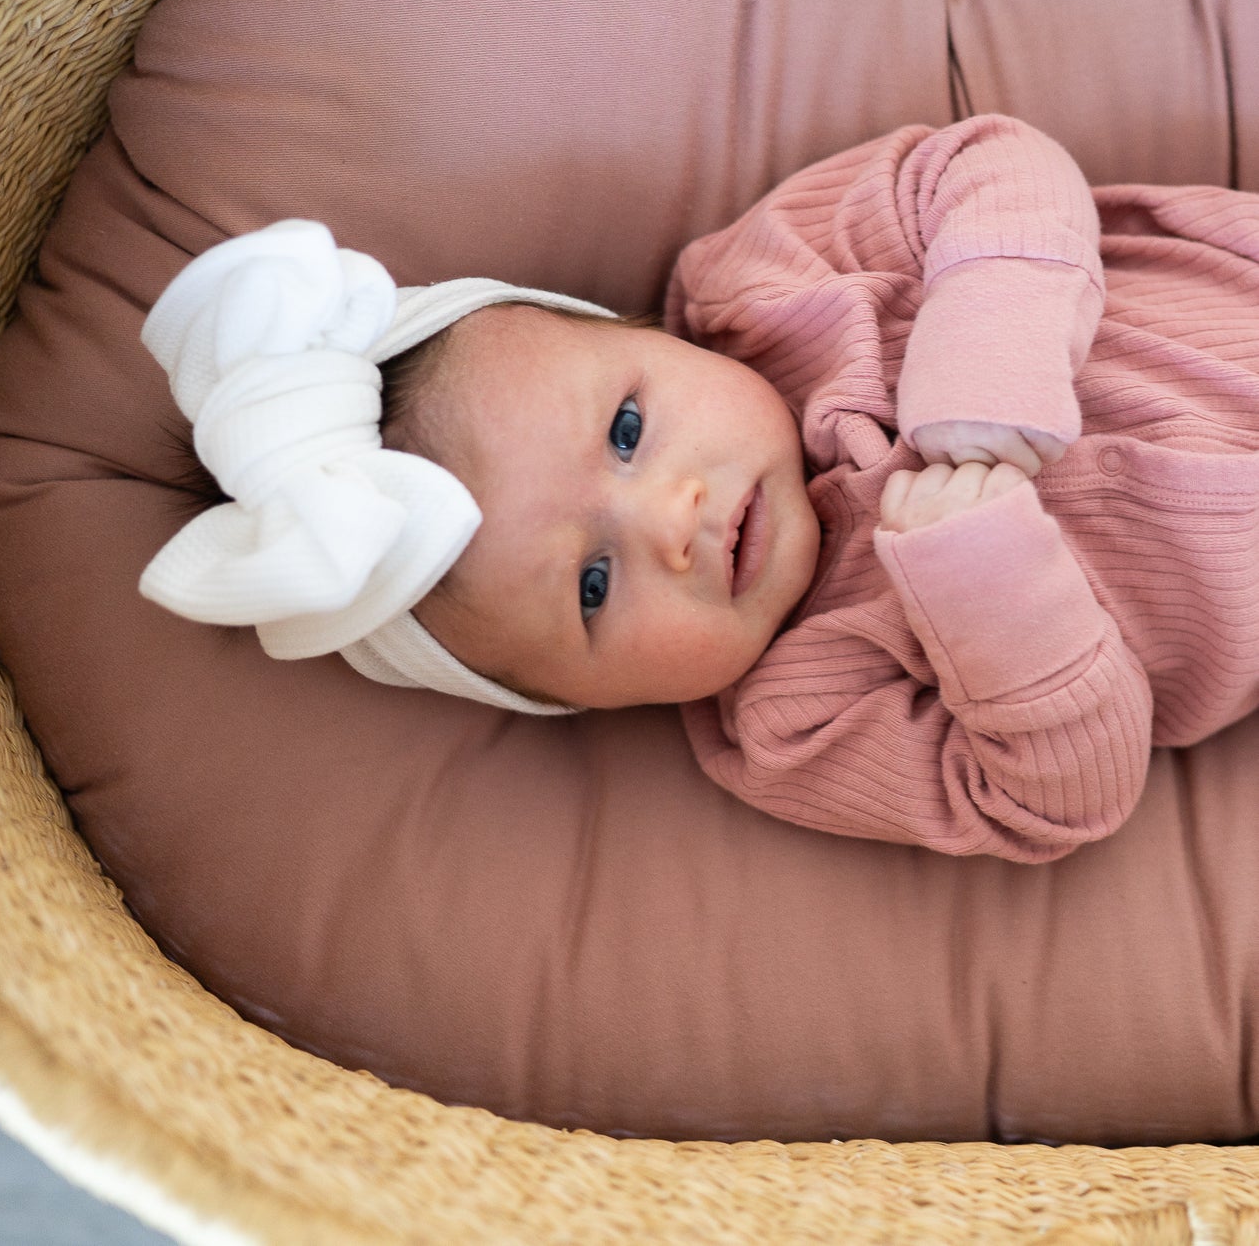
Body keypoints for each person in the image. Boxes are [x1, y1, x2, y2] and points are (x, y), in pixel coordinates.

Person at [137, 113, 1259, 863]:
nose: (665, 519)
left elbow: (985, 162)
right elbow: (1055, 799)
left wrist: (990, 343)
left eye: (627, 427)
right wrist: (992, 587)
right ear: (578, 703)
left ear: (636, 330)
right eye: (588, 584)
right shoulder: (796, 721)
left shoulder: (768, 287)